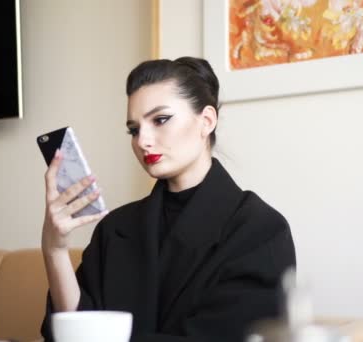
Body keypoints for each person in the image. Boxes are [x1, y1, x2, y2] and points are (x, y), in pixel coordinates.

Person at [39, 57, 296, 341]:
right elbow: (73, 330)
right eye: (134, 129)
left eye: (160, 120)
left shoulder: (260, 230)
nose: (142, 140)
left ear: (207, 121)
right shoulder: (115, 228)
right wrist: (55, 251)